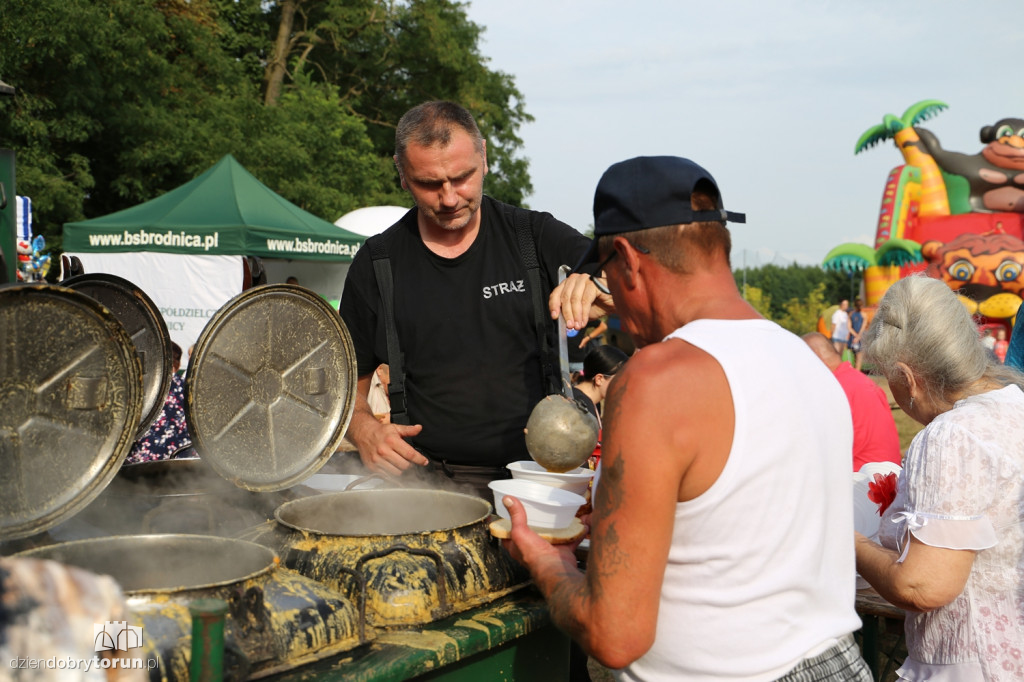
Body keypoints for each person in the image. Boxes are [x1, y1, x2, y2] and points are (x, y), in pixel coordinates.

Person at [502, 156, 869, 680]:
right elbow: (742, 531)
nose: (615, 305)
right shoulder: (805, 361)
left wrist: (546, 560)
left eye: (606, 272)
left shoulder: (656, 379)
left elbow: (616, 635)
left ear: (626, 260)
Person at [338, 100, 605, 497]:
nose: (449, 198)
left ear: (484, 156)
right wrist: (363, 429)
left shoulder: (534, 237)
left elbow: (634, 283)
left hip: (538, 481)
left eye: (462, 177)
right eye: (429, 183)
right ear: (402, 174)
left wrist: (600, 286)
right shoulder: (379, 262)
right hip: (427, 485)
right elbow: (344, 385)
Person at [855, 275, 1024, 681]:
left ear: (906, 376)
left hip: (972, 664)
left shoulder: (951, 433)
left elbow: (923, 586)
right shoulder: (1013, 404)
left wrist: (847, 541)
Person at [803, 332, 902, 471]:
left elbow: (820, 453)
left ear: (814, 358)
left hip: (859, 480)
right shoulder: (860, 380)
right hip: (888, 477)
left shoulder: (833, 389)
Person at [126, 342, 192, 464]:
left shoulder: (139, 387)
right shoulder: (190, 389)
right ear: (177, 365)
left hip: (140, 464)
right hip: (180, 464)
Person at [848, 297, 865, 371]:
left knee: (854, 358)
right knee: (859, 358)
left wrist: (855, 336)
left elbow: (849, 327)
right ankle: (857, 374)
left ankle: (855, 373)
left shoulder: (851, 314)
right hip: (859, 339)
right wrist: (858, 337)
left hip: (852, 339)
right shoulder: (864, 315)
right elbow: (862, 328)